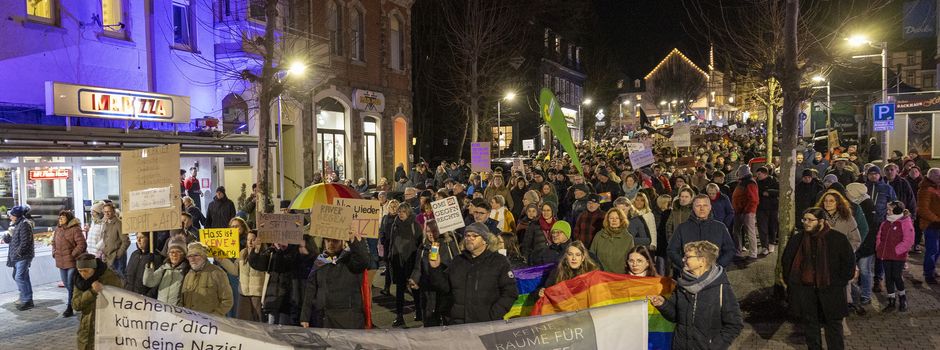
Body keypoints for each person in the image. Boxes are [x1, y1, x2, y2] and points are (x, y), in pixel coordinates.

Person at [782, 207, 856, 350]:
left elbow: (848, 263)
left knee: (834, 327)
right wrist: (793, 284)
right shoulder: (798, 239)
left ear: (821, 221)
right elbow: (787, 262)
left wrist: (838, 282)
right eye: (804, 219)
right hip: (807, 291)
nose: (806, 223)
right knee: (811, 327)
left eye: (810, 220)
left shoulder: (837, 239)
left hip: (831, 290)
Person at [649, 241, 743, 349]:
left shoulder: (721, 287)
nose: (683, 259)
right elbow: (675, 316)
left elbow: (734, 324)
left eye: (688, 257)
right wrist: (663, 304)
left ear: (702, 261)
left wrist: (714, 347)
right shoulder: (682, 284)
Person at [428, 222, 518, 324]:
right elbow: (444, 287)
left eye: (474, 236)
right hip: (458, 323)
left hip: (486, 324)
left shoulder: (499, 261)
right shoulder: (458, 260)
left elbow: (510, 293)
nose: (469, 238)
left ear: (485, 240)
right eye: (467, 235)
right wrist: (435, 268)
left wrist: (493, 315)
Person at [299, 231, 370, 329]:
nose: (330, 244)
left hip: (347, 321)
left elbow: (363, 260)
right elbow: (311, 289)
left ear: (342, 241)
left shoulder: (350, 259)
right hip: (324, 320)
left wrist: (354, 240)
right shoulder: (320, 260)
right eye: (327, 240)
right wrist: (305, 317)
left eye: (335, 241)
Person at [410, 220, 461, 326]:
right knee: (430, 320)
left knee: (448, 320)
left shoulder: (449, 244)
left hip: (445, 288)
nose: (431, 234)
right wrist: (414, 279)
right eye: (428, 231)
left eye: (434, 231)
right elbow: (418, 267)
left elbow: (457, 263)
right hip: (428, 289)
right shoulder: (423, 247)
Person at [668, 195, 737, 271]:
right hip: (689, 274)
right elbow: (672, 250)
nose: (702, 209)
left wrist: (717, 266)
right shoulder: (682, 228)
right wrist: (686, 264)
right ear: (693, 207)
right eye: (698, 206)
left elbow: (730, 250)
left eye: (705, 205)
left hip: (715, 274)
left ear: (710, 207)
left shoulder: (720, 227)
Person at [72, 254, 123, 350]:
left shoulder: (109, 277)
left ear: (94, 269)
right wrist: (91, 292)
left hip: (106, 327)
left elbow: (119, 298)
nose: (83, 274)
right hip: (86, 329)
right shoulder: (79, 280)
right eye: (80, 271)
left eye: (86, 271)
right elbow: (76, 305)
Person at [876, 201, 914, 312]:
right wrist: (879, 247)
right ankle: (891, 301)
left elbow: (908, 240)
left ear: (897, 210)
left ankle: (902, 297)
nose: (887, 211)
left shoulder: (905, 222)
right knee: (888, 278)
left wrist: (897, 251)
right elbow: (879, 236)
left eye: (889, 209)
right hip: (885, 255)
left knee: (896, 276)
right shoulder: (885, 223)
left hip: (898, 256)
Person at [389, 203, 422, 327]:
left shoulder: (414, 224)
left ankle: (419, 311)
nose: (401, 214)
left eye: (403, 211)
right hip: (398, 261)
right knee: (399, 290)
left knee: (414, 289)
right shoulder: (395, 225)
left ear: (408, 212)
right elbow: (391, 241)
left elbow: (420, 243)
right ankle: (399, 316)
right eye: (399, 211)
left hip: (411, 261)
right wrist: (390, 256)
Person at [181, 242, 234, 316]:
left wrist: (214, 316)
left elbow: (227, 301)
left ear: (204, 256)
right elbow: (182, 300)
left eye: (196, 255)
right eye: (189, 256)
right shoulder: (188, 275)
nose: (192, 259)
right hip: (190, 320)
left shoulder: (217, 273)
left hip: (210, 321)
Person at [51, 210, 86, 317]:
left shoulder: (75, 229)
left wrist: (73, 254)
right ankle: (79, 299)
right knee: (67, 284)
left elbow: (82, 244)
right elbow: (53, 242)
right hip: (61, 261)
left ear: (68, 218)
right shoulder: (58, 229)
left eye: (63, 217)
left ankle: (70, 307)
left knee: (70, 284)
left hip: (72, 262)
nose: (60, 219)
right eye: (59, 217)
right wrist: (54, 252)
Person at [5, 205, 35, 311]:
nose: (10, 217)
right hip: (17, 256)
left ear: (16, 216)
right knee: (21, 277)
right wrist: (8, 235)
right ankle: (25, 297)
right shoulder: (16, 224)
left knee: (19, 277)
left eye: (12, 215)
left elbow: (25, 242)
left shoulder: (24, 224)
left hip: (23, 256)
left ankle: (27, 300)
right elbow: (10, 240)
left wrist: (18, 253)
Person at [143, 238, 190, 305]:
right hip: (161, 308)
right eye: (172, 252)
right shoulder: (164, 268)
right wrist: (148, 268)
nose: (174, 255)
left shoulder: (186, 270)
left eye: (178, 252)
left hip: (176, 309)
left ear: (184, 254)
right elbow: (149, 282)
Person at [590, 208, 635, 274]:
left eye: (617, 218)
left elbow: (631, 259)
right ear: (607, 220)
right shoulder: (599, 235)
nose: (614, 220)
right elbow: (591, 255)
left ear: (621, 220)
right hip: (601, 275)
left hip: (619, 276)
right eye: (611, 218)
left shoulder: (628, 238)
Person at [236, 230, 266, 321]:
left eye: (253, 240)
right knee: (241, 322)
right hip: (243, 294)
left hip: (257, 295)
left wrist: (256, 251)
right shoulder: (242, 253)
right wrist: (222, 260)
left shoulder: (264, 254)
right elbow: (234, 270)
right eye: (248, 239)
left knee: (257, 322)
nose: (250, 242)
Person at [731, 165, 760, 259]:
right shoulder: (744, 182)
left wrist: (746, 210)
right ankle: (739, 252)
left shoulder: (749, 182)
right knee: (738, 231)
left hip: (746, 211)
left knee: (749, 232)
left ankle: (753, 254)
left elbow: (753, 199)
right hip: (740, 210)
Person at [124, 232, 162, 299]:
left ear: (149, 239)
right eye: (137, 237)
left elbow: (157, 283)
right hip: (128, 296)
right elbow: (127, 273)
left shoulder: (156, 257)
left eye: (141, 237)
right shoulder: (134, 254)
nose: (138, 240)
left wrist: (147, 297)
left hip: (143, 299)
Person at [920, 168, 940, 284]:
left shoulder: (937, 187)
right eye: (937, 176)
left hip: (937, 224)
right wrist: (936, 220)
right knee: (932, 250)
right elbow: (923, 209)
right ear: (930, 176)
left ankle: (931, 269)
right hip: (931, 224)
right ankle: (928, 273)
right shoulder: (926, 189)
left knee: (937, 250)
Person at [754, 167, 780, 254]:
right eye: (757, 174)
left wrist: (769, 192)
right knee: (762, 228)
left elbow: (779, 191)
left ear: (765, 174)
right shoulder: (756, 182)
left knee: (772, 226)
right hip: (761, 208)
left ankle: (771, 243)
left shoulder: (774, 180)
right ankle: (764, 246)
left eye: (759, 174)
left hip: (773, 207)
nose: (758, 176)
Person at [100, 203, 129, 277]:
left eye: (108, 211)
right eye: (105, 212)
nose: (107, 213)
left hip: (117, 258)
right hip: (108, 257)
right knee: (111, 279)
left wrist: (118, 254)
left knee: (120, 279)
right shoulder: (106, 223)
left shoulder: (119, 223)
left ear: (113, 211)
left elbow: (126, 241)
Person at [379, 199, 401, 296]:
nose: (393, 208)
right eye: (391, 206)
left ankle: (401, 287)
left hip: (397, 246)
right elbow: (382, 230)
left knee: (398, 267)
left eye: (395, 206)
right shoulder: (385, 218)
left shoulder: (400, 218)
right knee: (388, 267)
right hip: (387, 245)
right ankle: (386, 288)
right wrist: (382, 239)